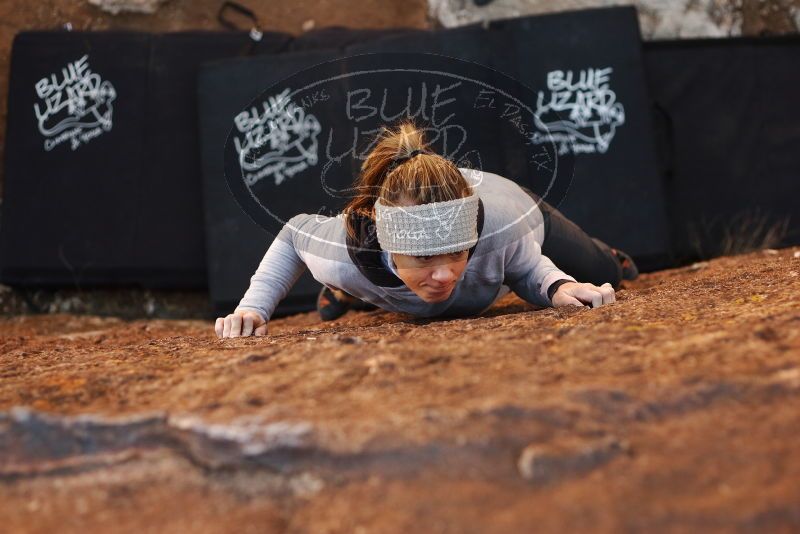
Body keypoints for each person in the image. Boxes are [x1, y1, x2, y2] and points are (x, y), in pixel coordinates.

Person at [215, 121, 638, 339]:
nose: (444, 276)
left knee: (606, 272)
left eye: (457, 254)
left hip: (521, 207)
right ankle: (354, 292)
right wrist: (253, 308)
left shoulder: (499, 230)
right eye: (422, 258)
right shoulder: (341, 252)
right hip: (369, 265)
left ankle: (610, 256)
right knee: (376, 282)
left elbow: (529, 270)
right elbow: (293, 234)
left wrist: (556, 287)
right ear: (385, 241)